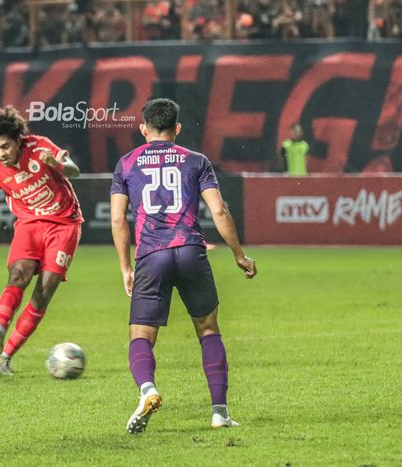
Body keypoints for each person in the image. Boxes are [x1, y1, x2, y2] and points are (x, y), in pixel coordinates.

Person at [110, 98, 257, 434]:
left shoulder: (126, 163)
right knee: (208, 330)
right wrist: (238, 254)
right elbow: (219, 212)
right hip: (191, 251)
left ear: (143, 128)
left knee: (141, 335)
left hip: (152, 255)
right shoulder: (196, 161)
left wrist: (125, 268)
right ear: (177, 128)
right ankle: (219, 413)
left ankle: (148, 389)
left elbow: (118, 218)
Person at [0, 106, 83, 376]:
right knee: (19, 274)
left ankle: (5, 357)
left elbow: (74, 170)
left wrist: (56, 163)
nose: (1, 154)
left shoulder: (40, 146)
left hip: (64, 224)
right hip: (29, 224)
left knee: (44, 292)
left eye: (5, 147)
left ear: (19, 140)